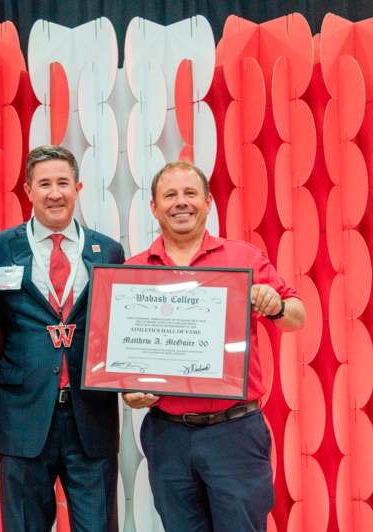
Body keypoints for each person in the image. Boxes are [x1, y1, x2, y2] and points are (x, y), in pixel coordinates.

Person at [123, 161, 306, 532]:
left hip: (234, 434)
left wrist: (276, 304)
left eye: (190, 194)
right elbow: (125, 360)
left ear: (208, 202)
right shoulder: (133, 270)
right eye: (170, 195)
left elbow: (297, 317)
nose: (181, 203)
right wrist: (129, 392)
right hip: (167, 434)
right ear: (154, 208)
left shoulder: (245, 258)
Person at [0, 145, 124, 532]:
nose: (55, 192)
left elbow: (122, 329)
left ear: (78, 187)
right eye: (44, 183)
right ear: (28, 190)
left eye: (63, 182)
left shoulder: (108, 251)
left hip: (91, 416)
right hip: (23, 417)